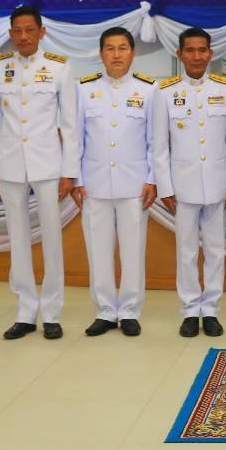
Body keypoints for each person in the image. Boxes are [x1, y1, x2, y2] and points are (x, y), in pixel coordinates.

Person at [0, 6, 79, 340]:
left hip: (48, 164)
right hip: (9, 164)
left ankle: (52, 312)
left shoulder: (59, 68)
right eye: (17, 31)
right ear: (11, 34)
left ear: (41, 32)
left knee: (52, 237)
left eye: (29, 30)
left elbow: (70, 123)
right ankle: (25, 311)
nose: (23, 37)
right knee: (18, 239)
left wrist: (70, 170)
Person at [152, 27, 226, 339]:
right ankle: (190, 309)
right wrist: (165, 187)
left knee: (215, 249)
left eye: (203, 50)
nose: (197, 56)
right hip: (183, 185)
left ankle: (211, 309)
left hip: (217, 182)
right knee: (186, 250)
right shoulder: (164, 92)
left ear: (211, 54)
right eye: (191, 50)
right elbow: (159, 146)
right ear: (180, 54)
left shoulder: (225, 89)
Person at [72, 28, 157, 338]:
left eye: (123, 48)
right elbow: (75, 139)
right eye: (110, 48)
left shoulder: (149, 90)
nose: (117, 54)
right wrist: (77, 179)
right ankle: (106, 310)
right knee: (98, 249)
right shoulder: (83, 90)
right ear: (101, 53)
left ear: (133, 53)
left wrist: (152, 179)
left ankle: (130, 310)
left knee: (134, 250)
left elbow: (154, 142)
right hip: (93, 185)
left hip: (135, 186)